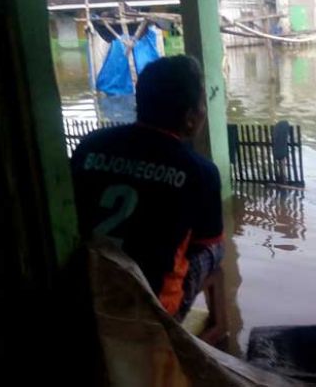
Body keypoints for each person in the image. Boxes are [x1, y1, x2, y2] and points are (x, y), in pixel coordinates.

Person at [71, 55, 224, 321]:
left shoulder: (90, 145)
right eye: (203, 103)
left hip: (85, 289)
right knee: (215, 246)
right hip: (151, 311)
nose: (204, 110)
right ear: (190, 117)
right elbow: (204, 242)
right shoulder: (199, 171)